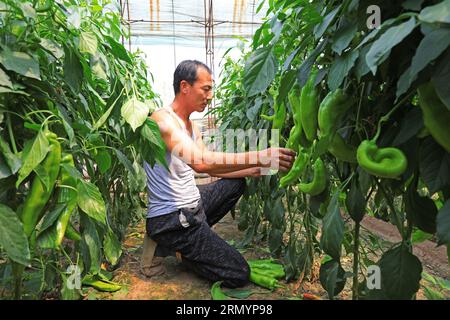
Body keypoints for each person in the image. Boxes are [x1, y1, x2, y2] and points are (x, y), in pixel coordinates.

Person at [141, 60, 295, 288]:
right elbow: (202, 164)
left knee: (235, 183)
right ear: (185, 86)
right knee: (238, 273)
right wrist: (261, 155)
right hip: (171, 218)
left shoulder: (190, 126)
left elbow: (210, 164)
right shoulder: (163, 122)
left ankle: (192, 244)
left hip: (192, 206)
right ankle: (180, 249)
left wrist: (256, 168)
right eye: (206, 89)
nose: (210, 95)